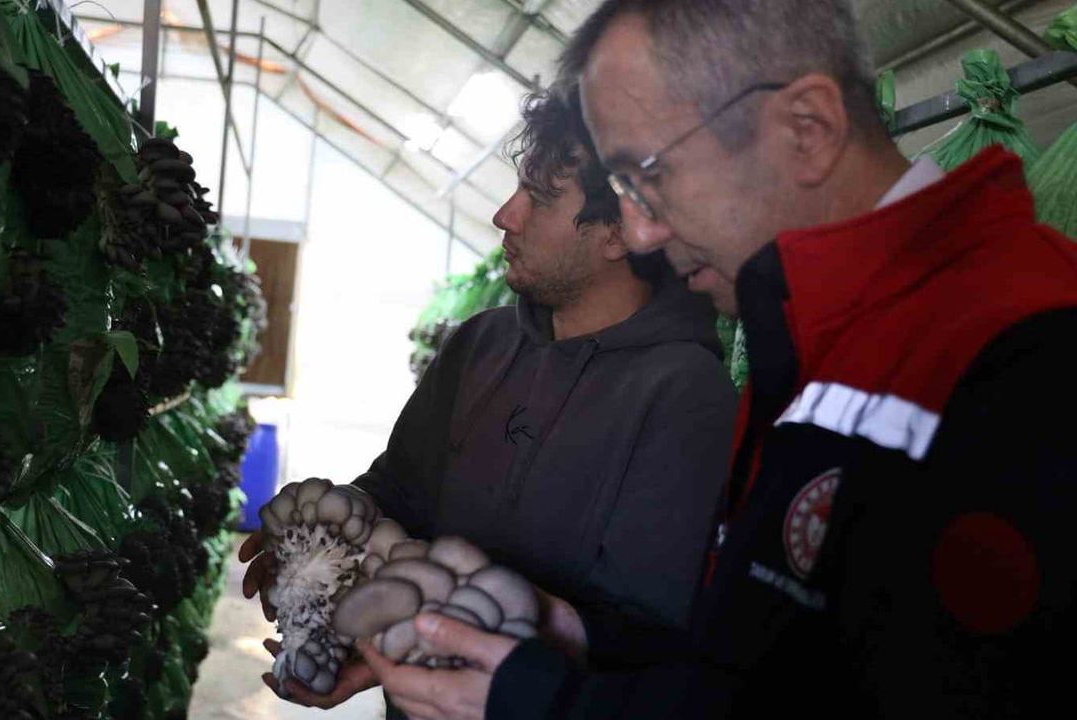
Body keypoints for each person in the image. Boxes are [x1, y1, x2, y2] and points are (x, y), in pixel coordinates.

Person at [357, 1, 1077, 718]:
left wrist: (542, 703)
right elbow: (766, 671)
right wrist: (545, 638)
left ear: (808, 129)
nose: (637, 232)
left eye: (648, 176)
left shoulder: (1030, 357)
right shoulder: (803, 343)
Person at [240, 83, 737, 711]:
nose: (506, 215)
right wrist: (320, 541)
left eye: (540, 197)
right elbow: (401, 492)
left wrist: (440, 623)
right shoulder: (481, 342)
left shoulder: (686, 395)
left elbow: (642, 636)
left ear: (619, 230)